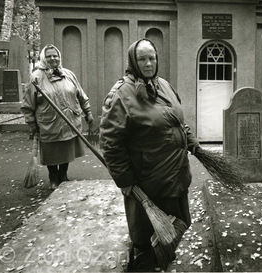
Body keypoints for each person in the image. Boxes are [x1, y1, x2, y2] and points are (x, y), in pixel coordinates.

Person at [99, 39, 200, 271]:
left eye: (152, 58)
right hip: (148, 181)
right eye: (142, 58)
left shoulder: (163, 85)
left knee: (174, 225)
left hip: (175, 174)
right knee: (146, 235)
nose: (148, 63)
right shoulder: (121, 95)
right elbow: (110, 144)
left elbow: (178, 122)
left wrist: (192, 144)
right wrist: (125, 181)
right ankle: (147, 264)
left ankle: (163, 257)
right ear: (133, 61)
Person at [21, 44, 94, 190]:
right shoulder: (36, 78)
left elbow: (81, 94)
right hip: (49, 124)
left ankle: (63, 175)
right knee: (52, 152)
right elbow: (28, 105)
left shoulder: (68, 74)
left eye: (55, 55)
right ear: (43, 58)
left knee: (66, 149)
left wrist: (88, 112)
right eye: (49, 56)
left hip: (69, 121)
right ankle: (53, 177)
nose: (53, 58)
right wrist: (32, 125)